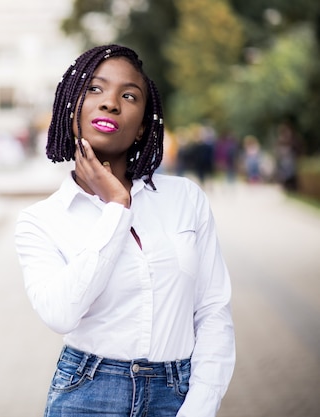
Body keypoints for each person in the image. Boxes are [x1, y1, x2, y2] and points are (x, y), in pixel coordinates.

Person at [14, 44, 235, 417]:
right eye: (95, 89)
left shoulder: (186, 199)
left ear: (143, 126)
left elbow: (213, 310)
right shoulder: (40, 221)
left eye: (128, 96)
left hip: (178, 391)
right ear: (71, 108)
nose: (110, 103)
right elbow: (60, 315)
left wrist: (201, 404)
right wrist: (117, 208)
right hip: (87, 394)